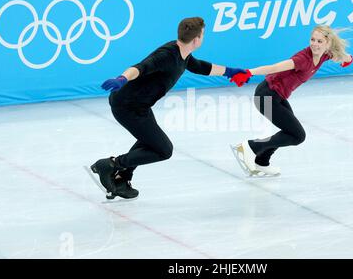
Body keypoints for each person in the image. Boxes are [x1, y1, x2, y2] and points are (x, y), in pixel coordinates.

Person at [90, 17, 246, 200]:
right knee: (164, 150)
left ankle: (122, 177)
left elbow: (200, 67)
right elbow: (140, 67)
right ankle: (110, 165)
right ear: (196, 39)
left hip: (140, 105)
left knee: (150, 141)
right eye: (203, 34)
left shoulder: (183, 53)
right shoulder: (167, 55)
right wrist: (122, 78)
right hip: (126, 105)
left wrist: (230, 72)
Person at [230, 25, 353, 176]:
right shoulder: (302, 59)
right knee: (297, 136)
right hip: (266, 97)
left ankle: (262, 162)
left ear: (327, 44)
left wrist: (347, 59)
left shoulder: (324, 55)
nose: (314, 44)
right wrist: (248, 73)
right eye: (312, 39)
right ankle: (250, 146)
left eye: (319, 41)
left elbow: (341, 57)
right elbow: (274, 67)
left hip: (277, 96)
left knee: (289, 132)